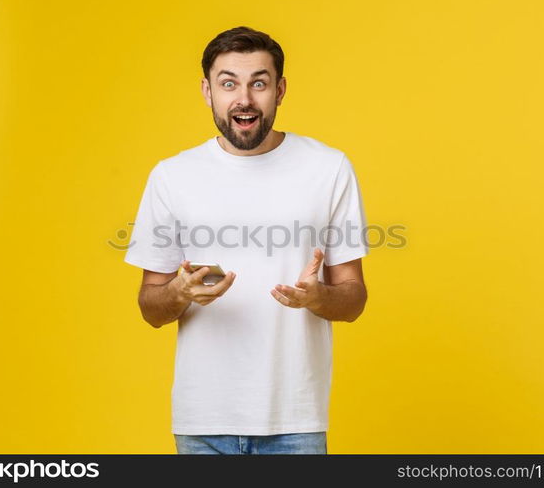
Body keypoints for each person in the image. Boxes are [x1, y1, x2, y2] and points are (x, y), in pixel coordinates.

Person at [125, 26, 369, 454]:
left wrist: (318, 297)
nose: (244, 99)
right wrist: (179, 292)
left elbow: (354, 299)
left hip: (295, 421)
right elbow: (151, 309)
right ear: (207, 91)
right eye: (228, 83)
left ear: (280, 90)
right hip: (202, 422)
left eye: (259, 82)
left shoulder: (329, 168)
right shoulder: (171, 177)